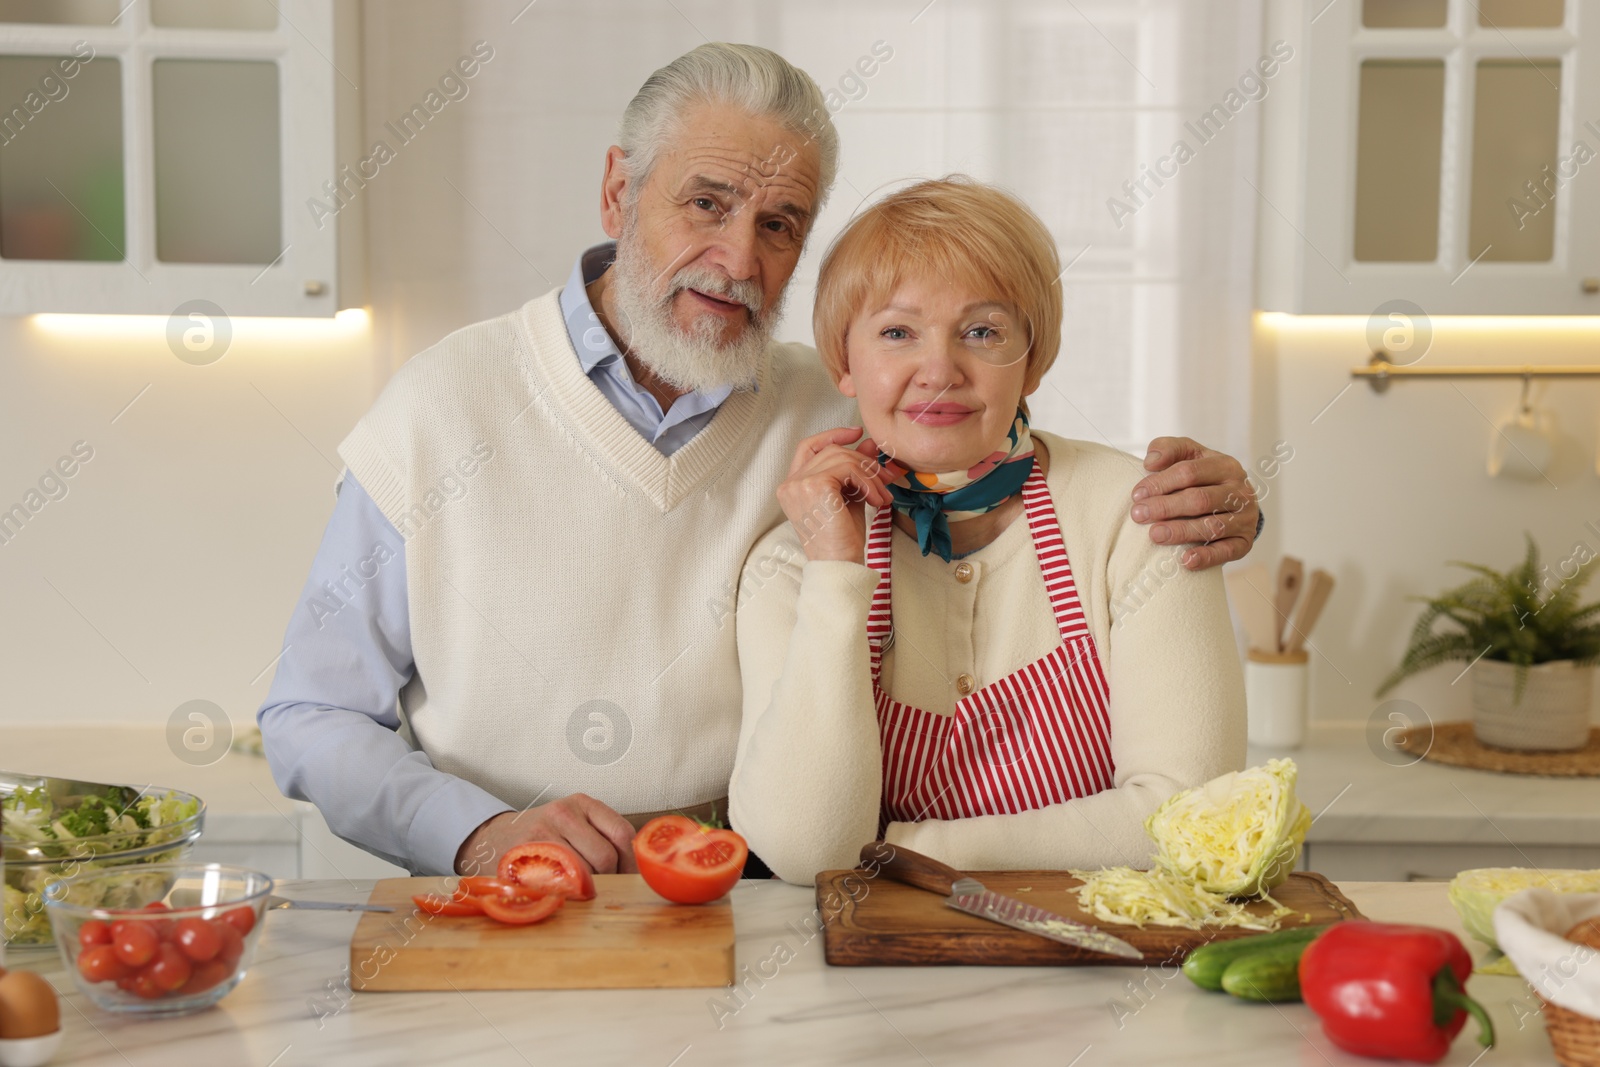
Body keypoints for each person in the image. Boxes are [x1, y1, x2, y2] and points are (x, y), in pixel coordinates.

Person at [257, 44, 1263, 880]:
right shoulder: (444, 406)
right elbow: (310, 712)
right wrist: (475, 831)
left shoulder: (836, 406)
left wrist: (1215, 505)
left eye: (778, 224)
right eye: (706, 203)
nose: (740, 259)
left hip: (746, 889)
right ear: (618, 189)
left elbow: (997, 436)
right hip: (504, 884)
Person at [728, 178, 1248, 884]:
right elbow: (807, 851)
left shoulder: (1136, 515)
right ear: (844, 364)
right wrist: (835, 572)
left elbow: (1193, 816)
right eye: (897, 332)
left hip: (1104, 973)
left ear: (1032, 358)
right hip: (868, 981)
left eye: (982, 330)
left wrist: (910, 849)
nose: (939, 371)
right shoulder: (794, 558)